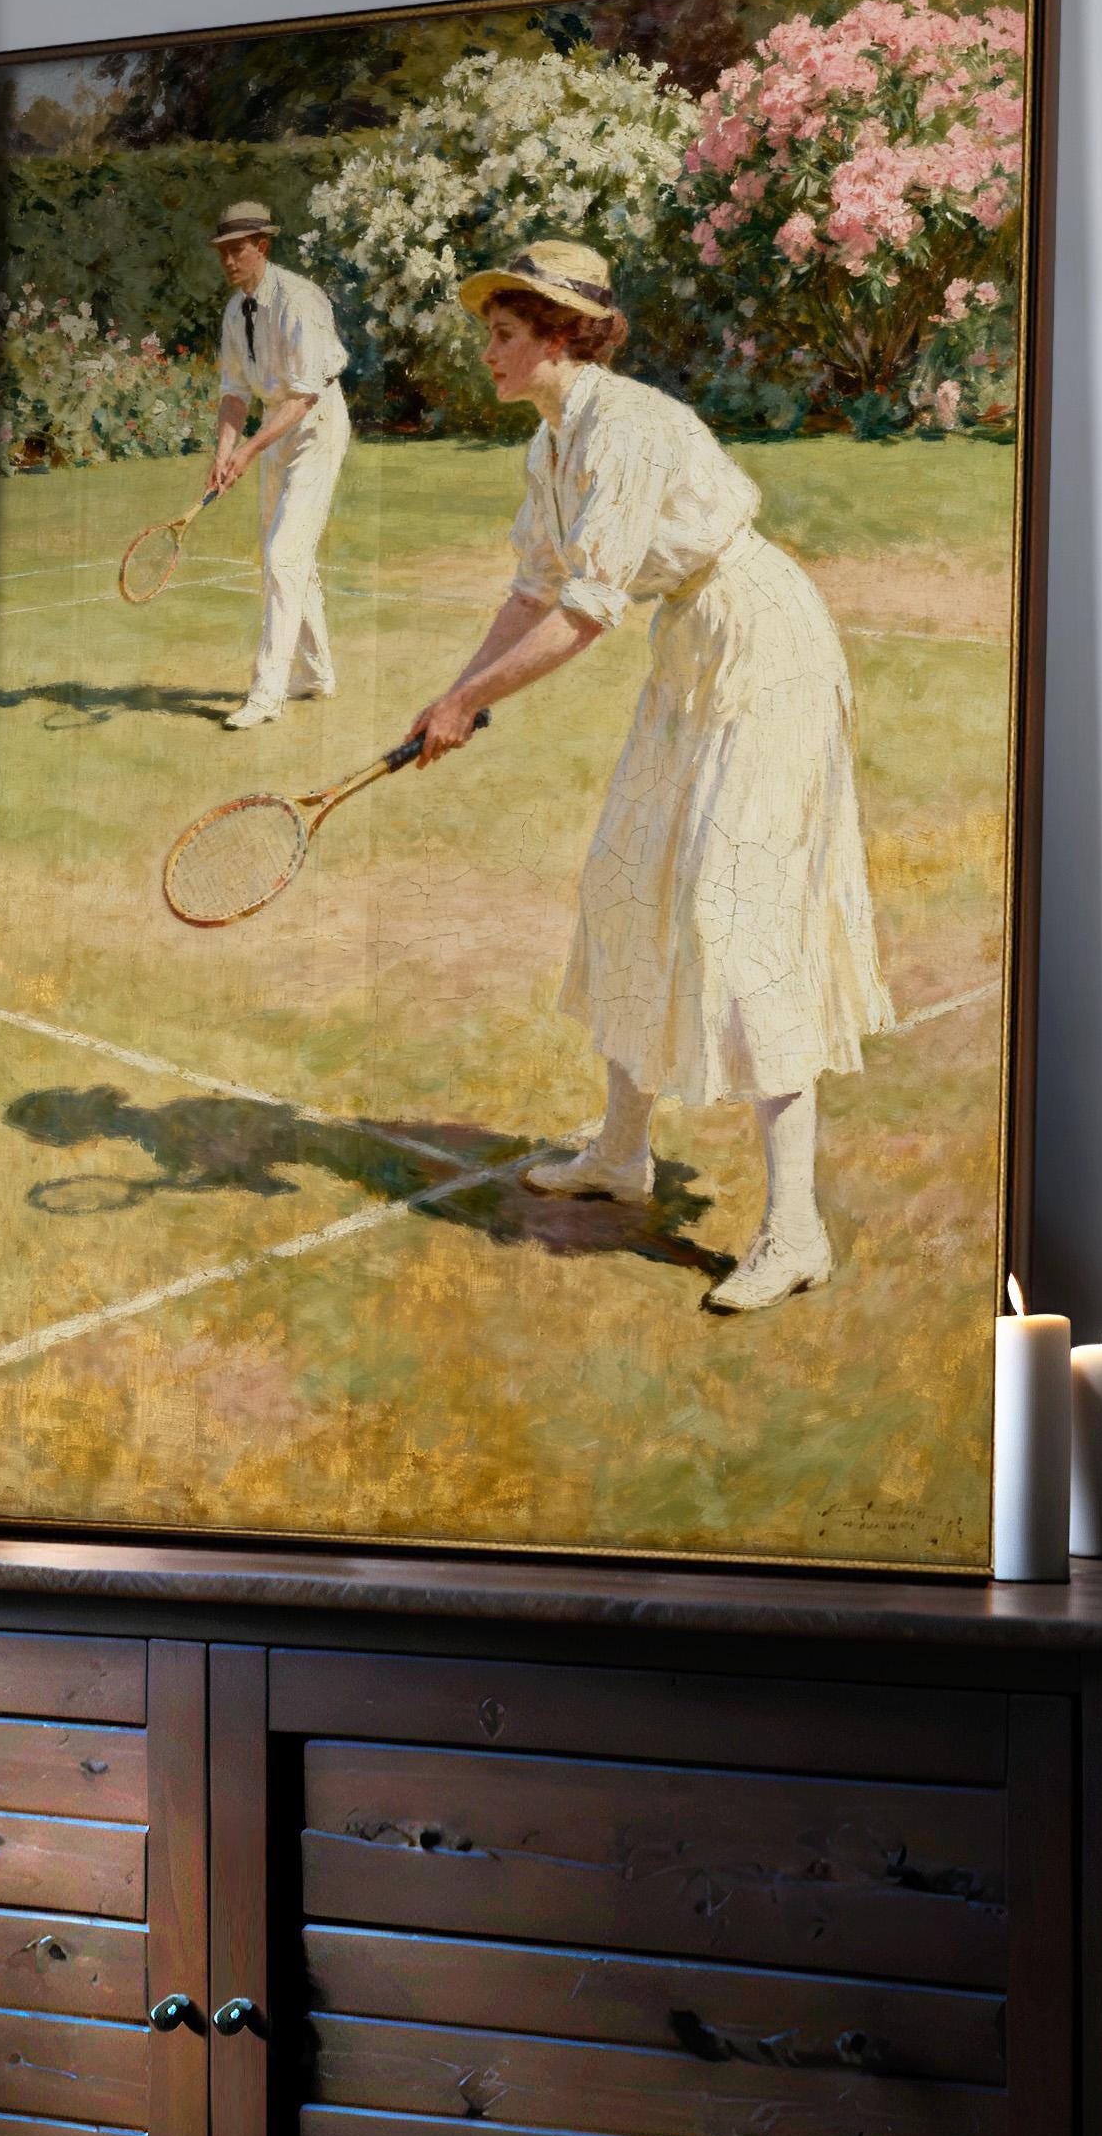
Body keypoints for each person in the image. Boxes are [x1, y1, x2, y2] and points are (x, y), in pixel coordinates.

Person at [408, 241, 893, 1312]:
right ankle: (621, 1152)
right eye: (488, 333)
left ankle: (795, 1227)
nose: (487, 351)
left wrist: (474, 701)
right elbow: (532, 594)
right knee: (625, 879)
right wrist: (453, 692)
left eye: (504, 333)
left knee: (736, 913)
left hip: (765, 648)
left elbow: (586, 613)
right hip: (693, 653)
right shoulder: (548, 448)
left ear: (563, 335)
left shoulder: (626, 427)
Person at [203, 200, 352, 729]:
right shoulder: (232, 310)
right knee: (291, 559)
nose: (228, 261)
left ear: (262, 248)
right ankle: (315, 674)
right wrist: (223, 453)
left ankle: (267, 694)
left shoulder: (299, 300)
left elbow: (306, 397)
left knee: (283, 556)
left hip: (316, 427)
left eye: (236, 250)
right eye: (222, 251)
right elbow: (234, 393)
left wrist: (247, 451)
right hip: (276, 429)